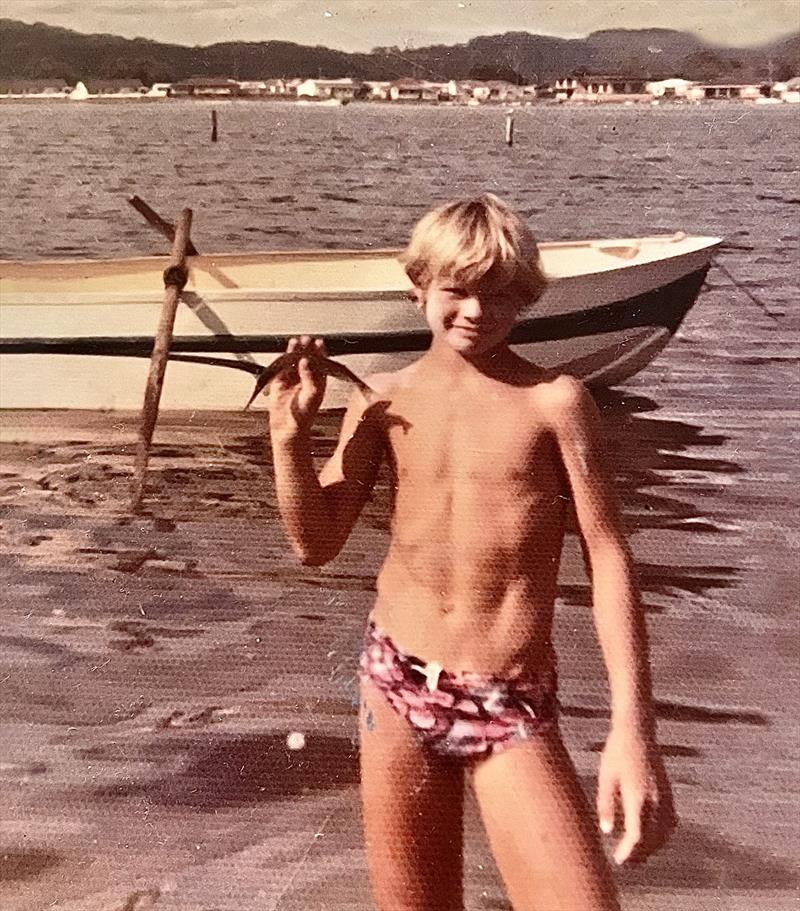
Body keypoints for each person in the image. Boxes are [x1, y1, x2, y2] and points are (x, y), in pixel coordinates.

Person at [267, 194, 676, 911]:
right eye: (456, 289)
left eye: (499, 294)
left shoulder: (554, 401)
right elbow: (315, 542)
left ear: (524, 297)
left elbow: (609, 560)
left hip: (508, 698)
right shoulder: (381, 400)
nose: (476, 311)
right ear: (417, 287)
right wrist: (289, 443)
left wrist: (633, 731)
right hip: (394, 683)